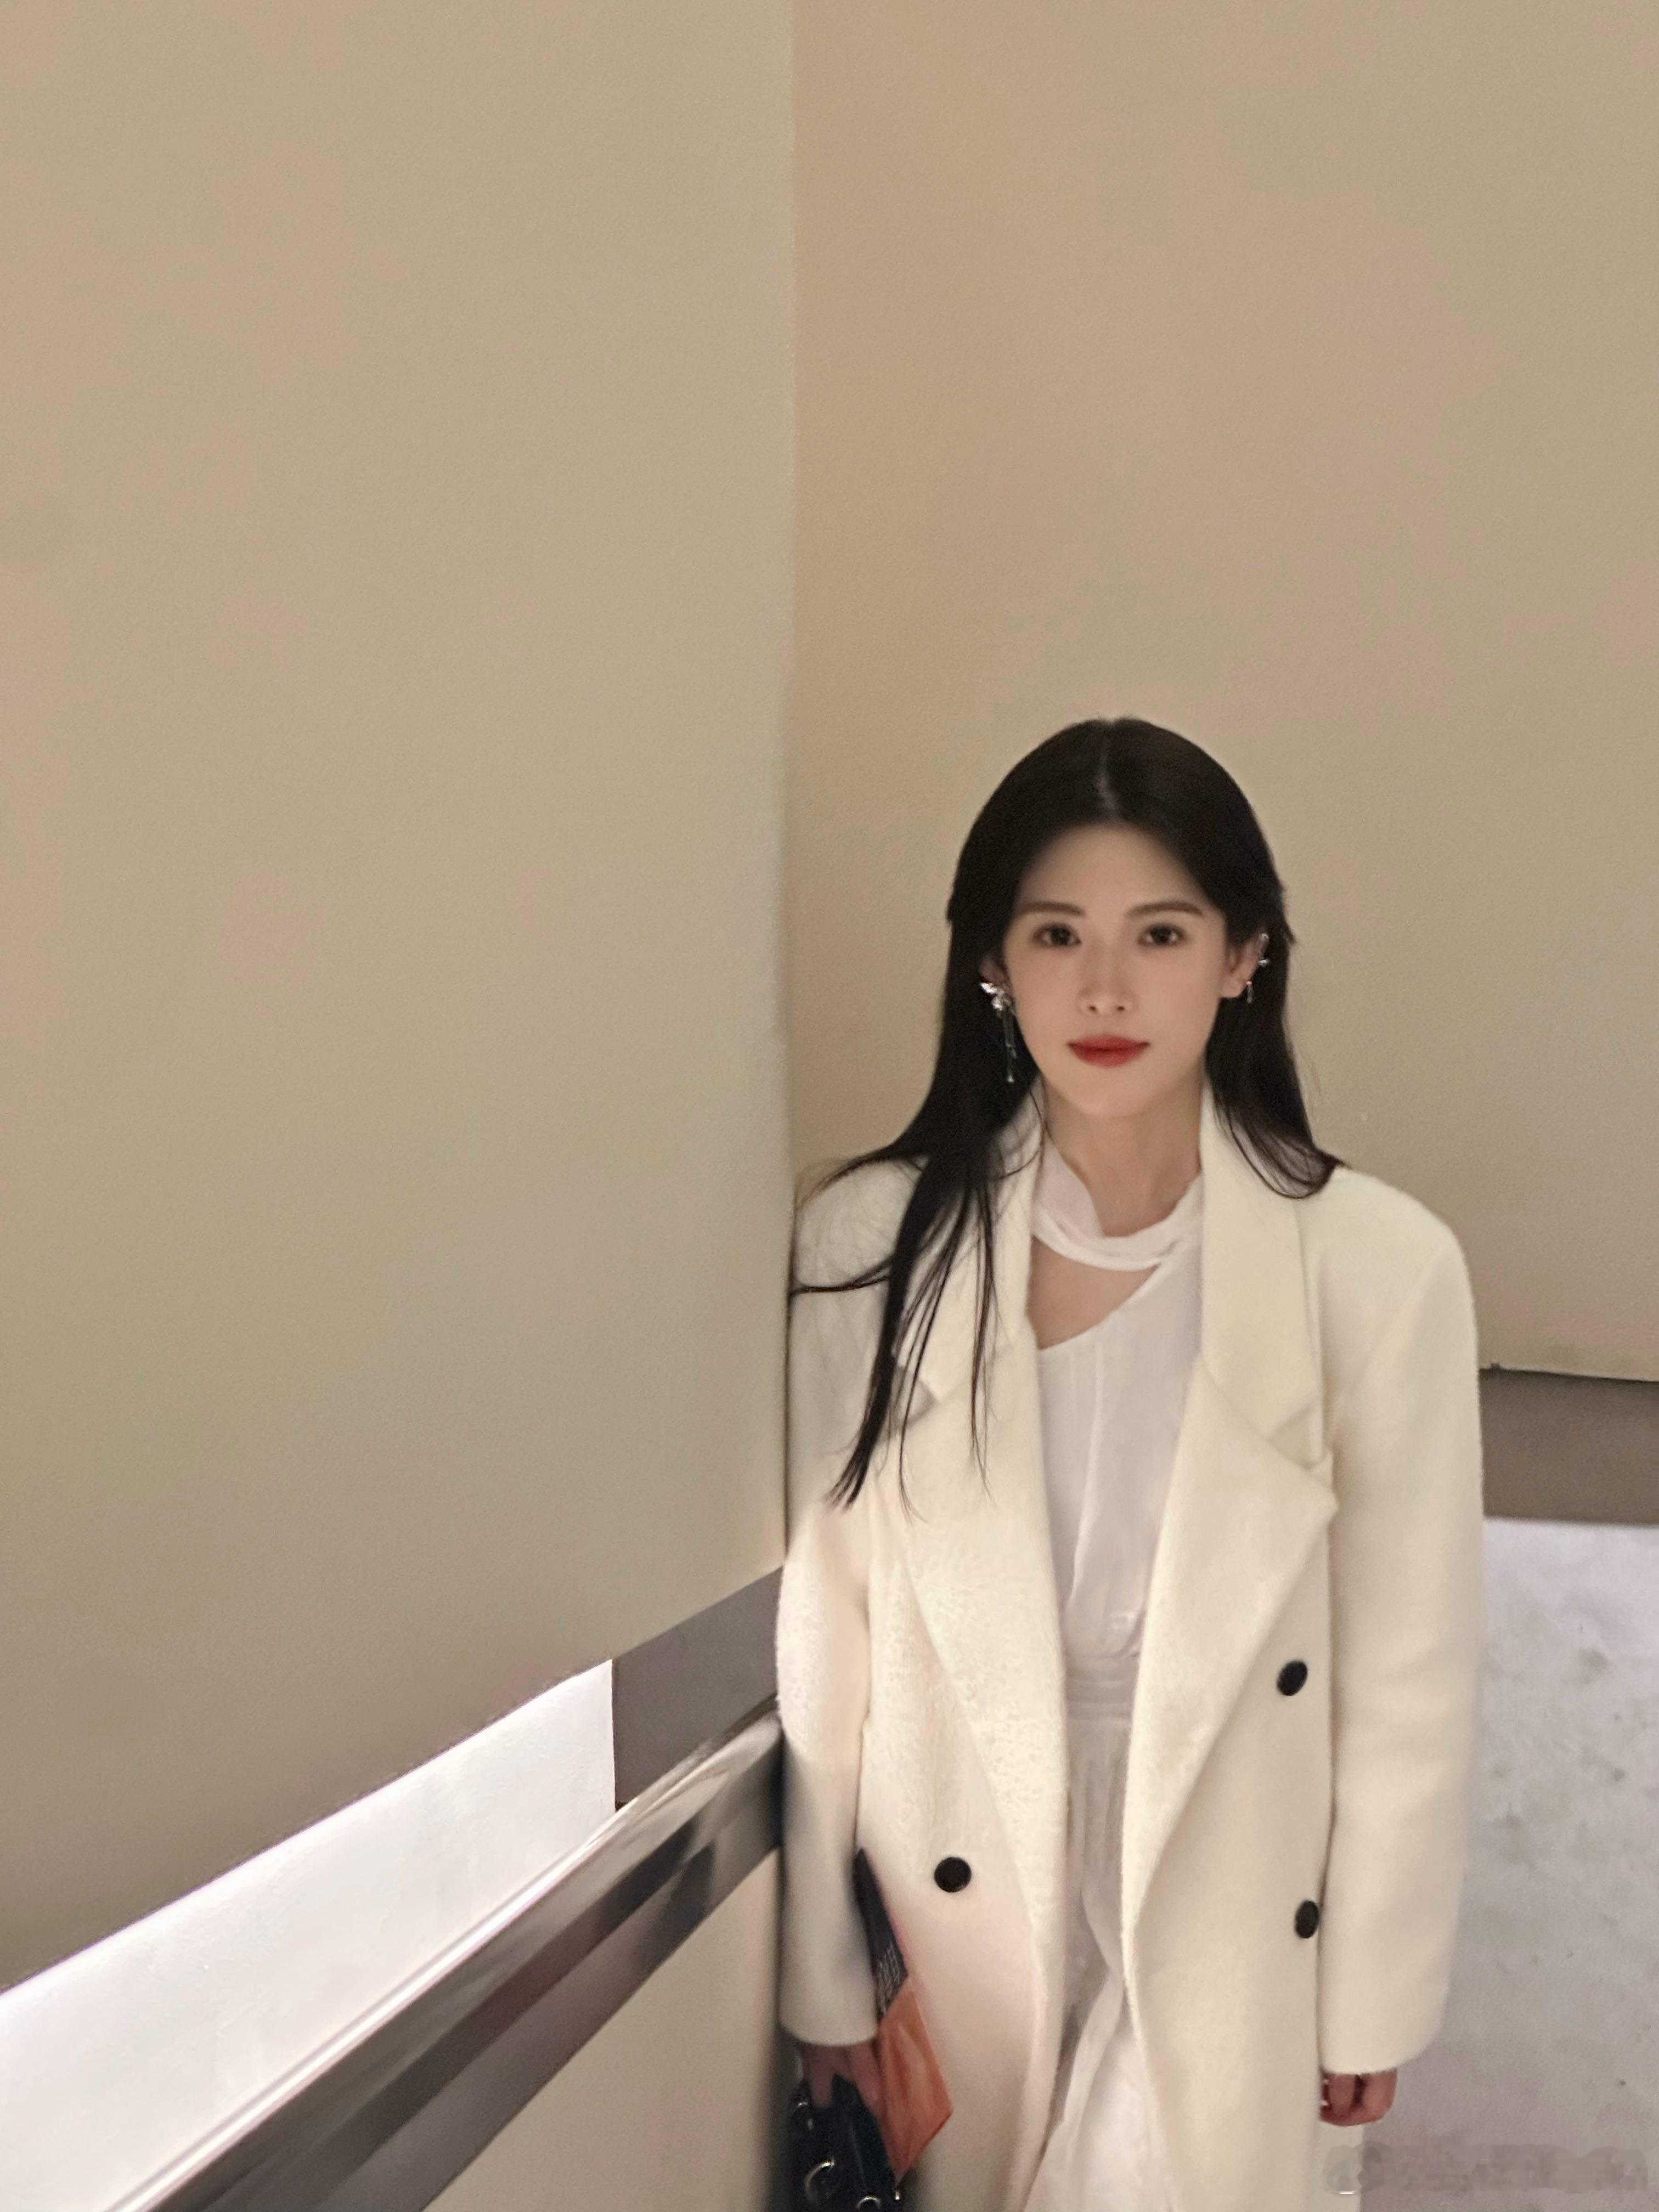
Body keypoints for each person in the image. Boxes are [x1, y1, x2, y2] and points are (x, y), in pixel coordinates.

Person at [775, 717, 1484, 2211]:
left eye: (1161, 933)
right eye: (1057, 935)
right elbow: (827, 1630)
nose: (1105, 989)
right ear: (992, 963)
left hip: (1231, 1877)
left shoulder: (1379, 1268)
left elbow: (1410, 1675)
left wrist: (1372, 1987)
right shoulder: (872, 1248)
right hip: (962, 1873)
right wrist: (823, 1973)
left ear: (1243, 957)